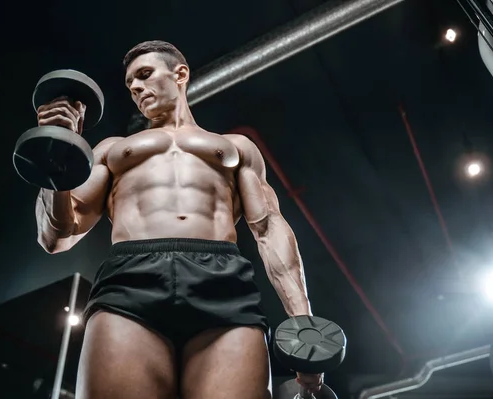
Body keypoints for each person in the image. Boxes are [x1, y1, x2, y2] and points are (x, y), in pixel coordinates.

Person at [35, 40, 322, 399]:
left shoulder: (236, 147)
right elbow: (57, 235)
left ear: (180, 74)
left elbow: (268, 228)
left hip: (222, 279)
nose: (136, 88)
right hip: (131, 278)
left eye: (144, 75)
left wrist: (303, 323)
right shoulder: (111, 150)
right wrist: (58, 157)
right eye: (130, 84)